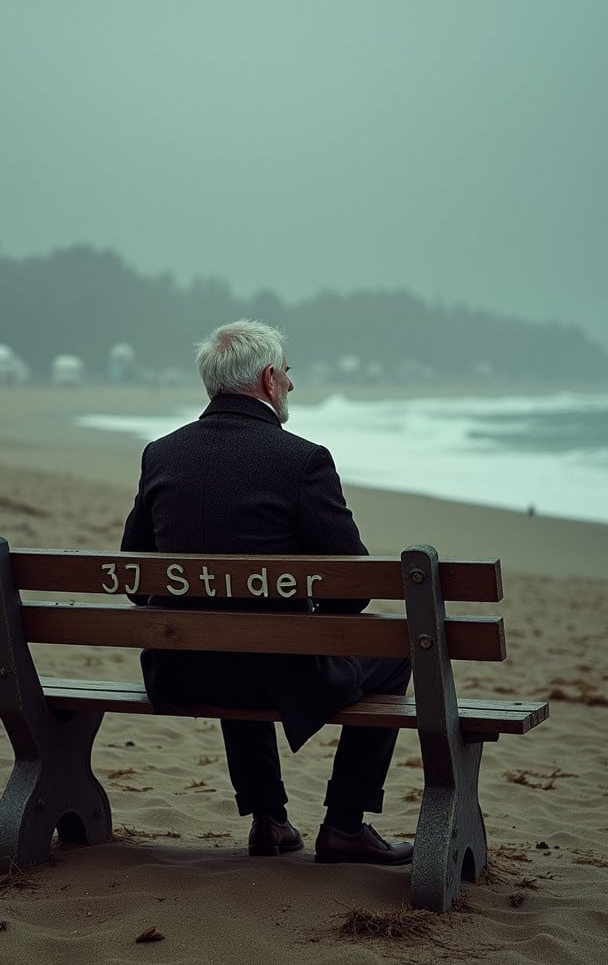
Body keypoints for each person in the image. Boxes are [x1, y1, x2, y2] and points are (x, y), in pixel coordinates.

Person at [121, 320, 413, 864]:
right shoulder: (303, 460)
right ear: (268, 377)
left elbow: (138, 581)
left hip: (179, 669)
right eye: (288, 374)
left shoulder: (160, 454)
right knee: (395, 654)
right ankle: (346, 825)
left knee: (231, 632)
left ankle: (269, 819)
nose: (292, 386)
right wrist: (305, 614)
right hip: (276, 673)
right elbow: (353, 587)